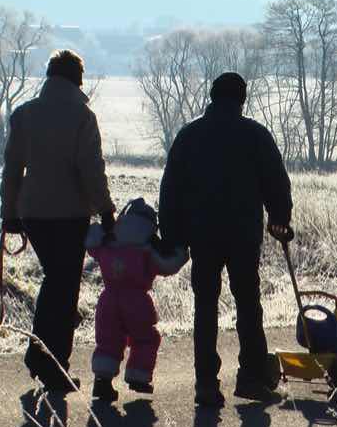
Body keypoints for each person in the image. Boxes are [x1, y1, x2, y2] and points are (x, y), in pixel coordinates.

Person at [159, 72, 293, 406]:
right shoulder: (255, 135)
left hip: (202, 234)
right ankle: (250, 376)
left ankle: (206, 383)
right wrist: (280, 218)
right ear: (242, 99)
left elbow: (171, 189)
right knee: (248, 303)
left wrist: (172, 235)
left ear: (212, 96)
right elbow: (276, 181)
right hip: (243, 234)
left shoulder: (190, 135)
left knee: (205, 306)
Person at [0, 49, 115, 394]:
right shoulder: (82, 116)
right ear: (78, 79)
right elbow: (91, 169)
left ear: (50, 77)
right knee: (63, 290)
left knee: (56, 283)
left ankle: (41, 356)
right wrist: (106, 210)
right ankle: (51, 365)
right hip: (70, 214)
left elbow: (12, 168)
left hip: (33, 213)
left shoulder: (25, 113)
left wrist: (10, 213)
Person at [85, 198, 189, 401]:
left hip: (109, 299)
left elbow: (90, 239)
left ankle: (102, 382)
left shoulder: (109, 241)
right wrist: (181, 253)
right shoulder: (147, 248)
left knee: (108, 340)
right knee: (145, 339)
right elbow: (168, 265)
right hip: (137, 302)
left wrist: (103, 227)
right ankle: (138, 376)